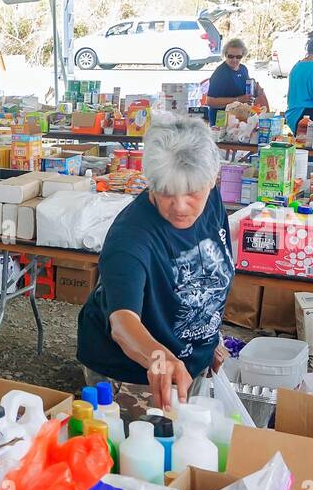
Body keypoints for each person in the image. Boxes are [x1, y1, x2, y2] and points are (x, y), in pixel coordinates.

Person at [77, 111, 234, 408]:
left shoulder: (211, 199)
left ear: (213, 180)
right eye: (166, 193)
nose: (180, 206)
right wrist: (158, 358)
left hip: (189, 362)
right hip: (131, 372)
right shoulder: (130, 238)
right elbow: (123, 322)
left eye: (191, 193)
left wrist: (209, 334)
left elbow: (214, 261)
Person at [202, 38, 268, 124]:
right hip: (221, 117)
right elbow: (210, 101)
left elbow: (248, 90)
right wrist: (238, 100)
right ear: (225, 55)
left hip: (239, 118)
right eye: (231, 56)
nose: (234, 60)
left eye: (238, 57)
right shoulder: (219, 73)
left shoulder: (243, 69)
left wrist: (256, 92)